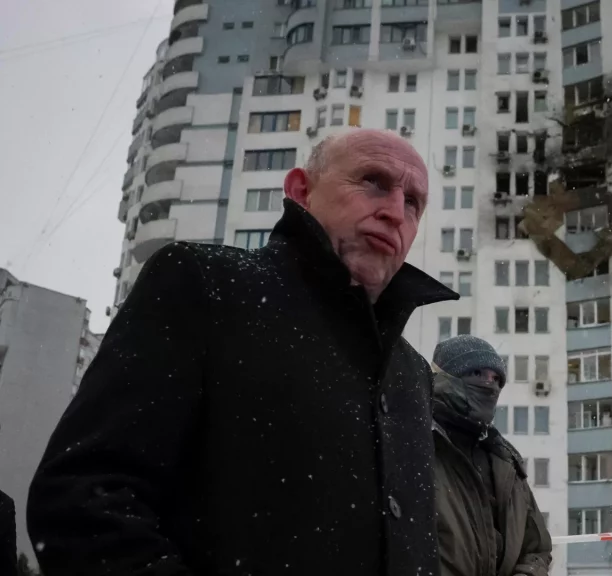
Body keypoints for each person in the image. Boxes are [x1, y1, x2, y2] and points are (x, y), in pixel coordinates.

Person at [27, 129, 458, 576]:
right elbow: (84, 498)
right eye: (373, 182)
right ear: (301, 191)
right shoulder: (206, 285)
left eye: (413, 203)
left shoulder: (411, 372)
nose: (395, 212)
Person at [430, 336, 552, 576]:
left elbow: (536, 548)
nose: (490, 385)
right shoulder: (416, 445)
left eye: (497, 379)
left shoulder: (504, 461)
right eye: (477, 373)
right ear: (446, 376)